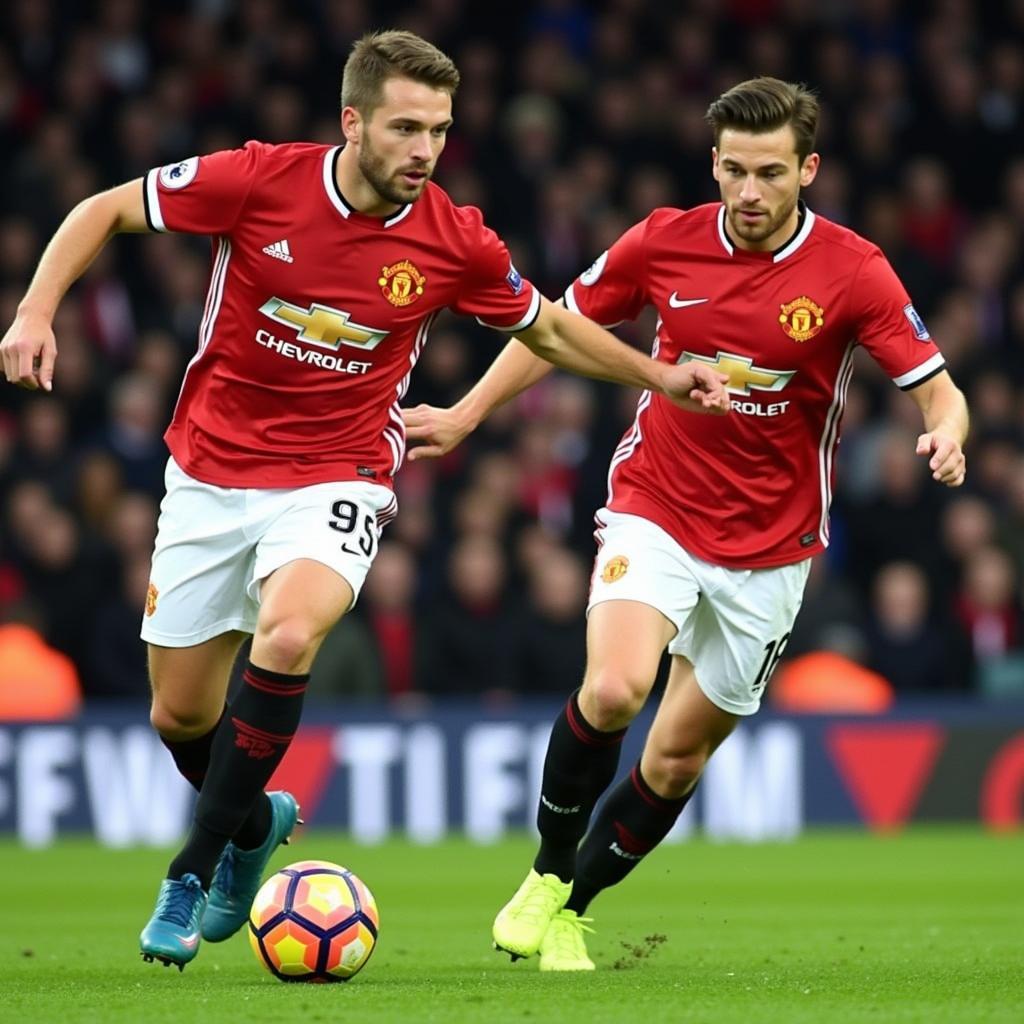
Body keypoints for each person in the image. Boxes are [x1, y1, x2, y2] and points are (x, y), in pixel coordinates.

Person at [0, 30, 729, 971]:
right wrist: (33, 309)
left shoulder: (453, 237)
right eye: (405, 127)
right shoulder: (259, 181)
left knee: (291, 633)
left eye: (439, 130)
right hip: (209, 476)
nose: (425, 149)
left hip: (339, 472)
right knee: (180, 717)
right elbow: (105, 209)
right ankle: (252, 818)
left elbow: (550, 328)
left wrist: (658, 376)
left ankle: (191, 868)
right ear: (353, 122)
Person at [403, 76, 969, 971]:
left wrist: (946, 434)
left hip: (774, 550)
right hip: (656, 506)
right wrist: (468, 414)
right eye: (734, 170)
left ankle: (570, 907)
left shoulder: (854, 270)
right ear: (713, 162)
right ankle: (548, 874)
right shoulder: (663, 240)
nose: (749, 193)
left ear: (808, 170)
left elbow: (940, 390)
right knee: (616, 689)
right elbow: (551, 326)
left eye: (771, 173)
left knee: (671, 763)